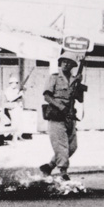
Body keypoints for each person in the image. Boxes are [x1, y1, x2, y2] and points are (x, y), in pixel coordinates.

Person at [40, 52, 85, 181]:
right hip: (57, 115)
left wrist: (79, 84)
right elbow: (47, 96)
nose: (65, 64)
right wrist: (61, 107)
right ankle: (63, 172)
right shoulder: (54, 77)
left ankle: (49, 167)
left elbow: (80, 99)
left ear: (72, 65)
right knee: (61, 146)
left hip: (70, 116)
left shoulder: (74, 79)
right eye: (63, 61)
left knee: (72, 146)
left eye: (68, 62)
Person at [3, 75, 25, 140]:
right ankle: (13, 137)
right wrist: (18, 95)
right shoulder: (7, 90)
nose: (15, 84)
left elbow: (21, 99)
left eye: (16, 83)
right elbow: (10, 99)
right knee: (14, 122)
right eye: (13, 83)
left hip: (18, 107)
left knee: (19, 122)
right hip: (12, 108)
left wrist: (22, 94)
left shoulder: (17, 90)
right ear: (10, 83)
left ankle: (19, 135)